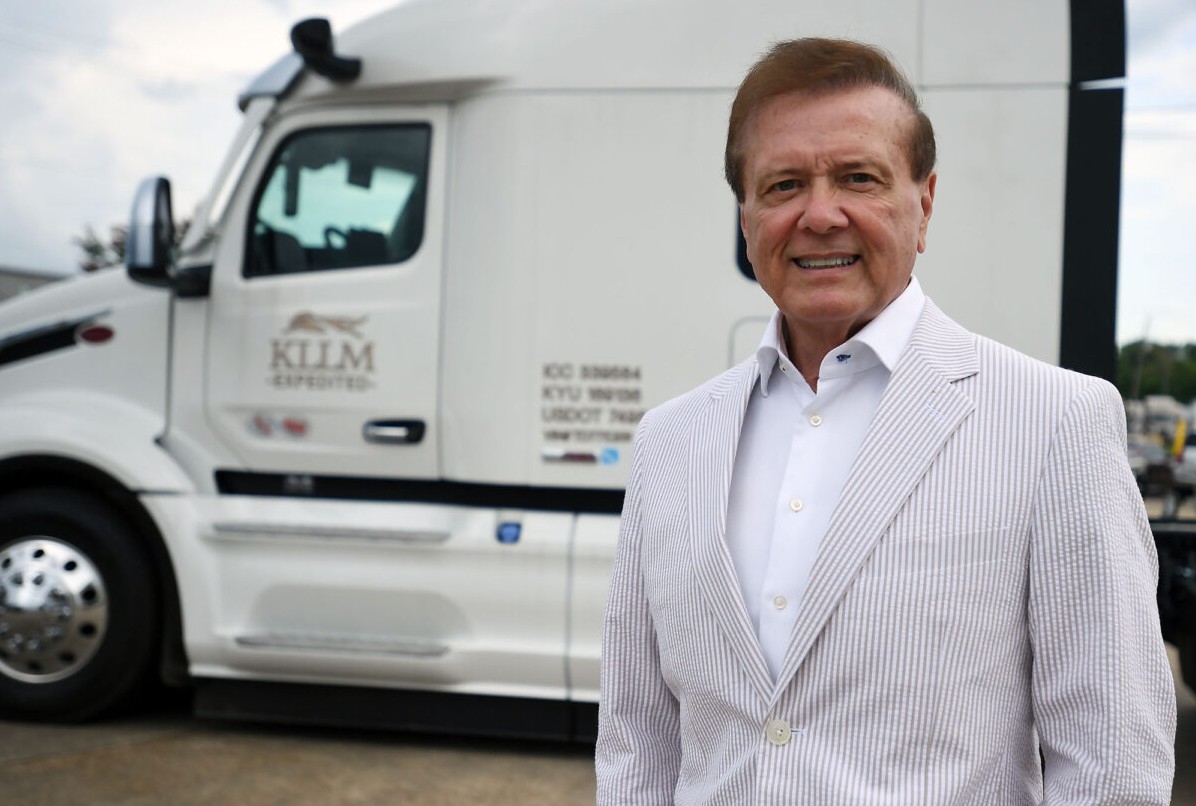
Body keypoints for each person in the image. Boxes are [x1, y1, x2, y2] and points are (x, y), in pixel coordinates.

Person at [595, 37, 1175, 804]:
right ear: (747, 217)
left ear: (923, 205)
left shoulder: (1054, 422)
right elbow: (637, 741)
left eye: (858, 179)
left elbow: (1112, 764)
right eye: (783, 185)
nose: (819, 215)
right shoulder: (670, 441)